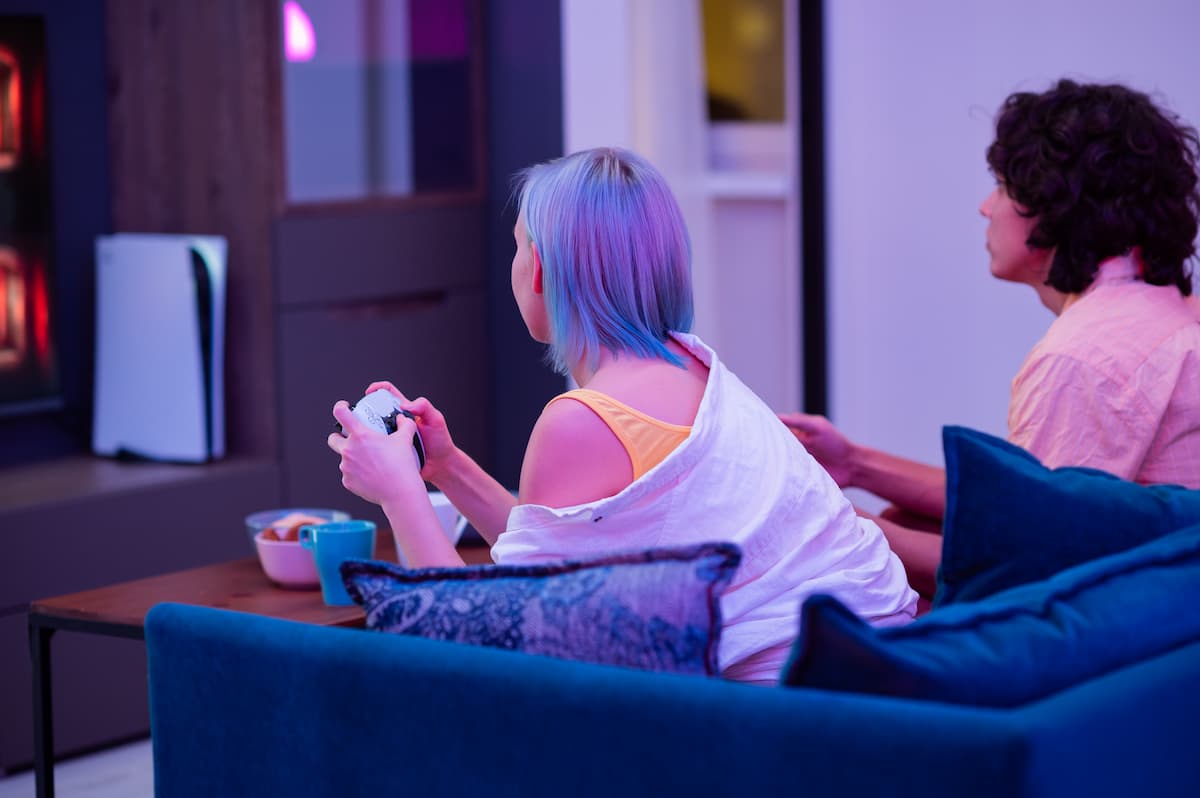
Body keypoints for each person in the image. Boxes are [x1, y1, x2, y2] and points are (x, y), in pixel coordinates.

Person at [329, 147, 917, 684]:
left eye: (517, 245)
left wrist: (399, 492)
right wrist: (447, 468)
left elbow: (473, 654)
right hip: (886, 664)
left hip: (810, 715)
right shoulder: (696, 367)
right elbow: (560, 575)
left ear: (539, 269)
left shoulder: (581, 421)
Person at [782, 79, 1200, 597]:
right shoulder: (1168, 312)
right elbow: (1030, 501)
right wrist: (856, 465)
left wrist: (831, 519)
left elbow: (1023, 576)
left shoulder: (1084, 356)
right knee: (906, 517)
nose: (986, 207)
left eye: (1002, 185)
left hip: (1144, 628)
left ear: (1055, 204)